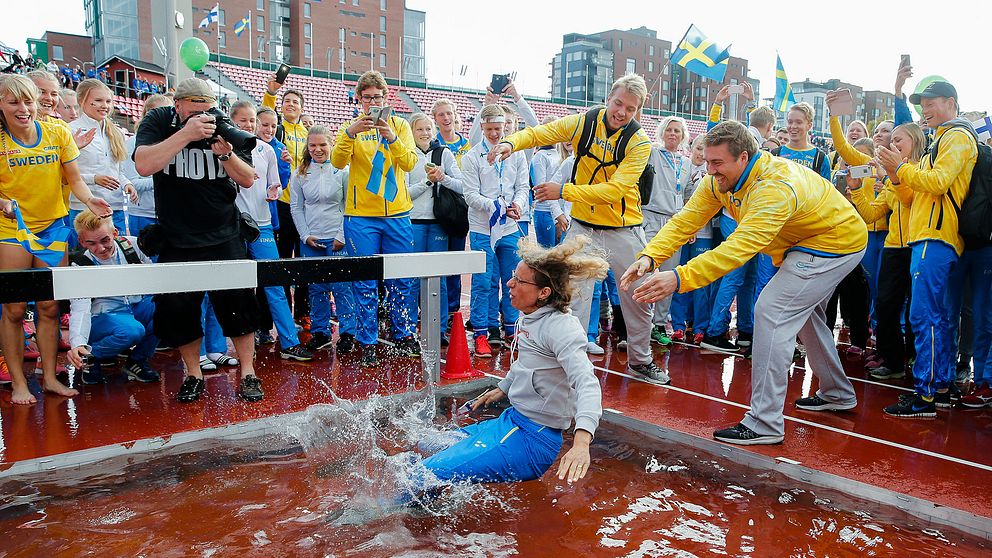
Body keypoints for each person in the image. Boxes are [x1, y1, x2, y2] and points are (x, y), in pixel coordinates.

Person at [622, 120, 868, 445]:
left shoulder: (773, 188)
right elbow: (686, 219)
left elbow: (737, 249)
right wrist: (650, 257)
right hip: (805, 241)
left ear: (743, 157)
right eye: (708, 162)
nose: (710, 171)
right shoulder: (721, 180)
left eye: (717, 163)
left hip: (835, 242)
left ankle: (764, 422)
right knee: (803, 316)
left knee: (771, 310)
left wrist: (680, 277)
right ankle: (837, 393)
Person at [488, 74, 667, 383]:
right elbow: (543, 131)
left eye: (631, 108)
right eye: (619, 103)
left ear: (638, 111)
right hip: (583, 227)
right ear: (609, 98)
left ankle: (640, 360)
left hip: (624, 228)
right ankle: (570, 359)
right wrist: (510, 142)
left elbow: (615, 190)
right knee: (572, 297)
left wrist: (564, 191)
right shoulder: (586, 122)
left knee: (638, 295)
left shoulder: (639, 143)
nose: (622, 112)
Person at [418, 235, 606, 487]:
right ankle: (428, 509)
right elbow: (528, 362)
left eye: (519, 280)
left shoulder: (562, 329)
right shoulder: (530, 316)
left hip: (532, 439)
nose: (509, 283)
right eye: (513, 276)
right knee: (426, 443)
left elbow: (587, 383)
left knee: (422, 475)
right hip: (513, 420)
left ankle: (379, 517)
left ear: (543, 293)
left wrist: (582, 442)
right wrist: (503, 388)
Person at [133, 77, 262, 403]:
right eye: (194, 112)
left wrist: (225, 155)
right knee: (178, 310)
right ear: (178, 106)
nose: (202, 119)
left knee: (239, 306)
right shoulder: (160, 121)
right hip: (176, 235)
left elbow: (248, 179)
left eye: (206, 111)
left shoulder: (222, 122)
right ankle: (193, 373)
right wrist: (186, 134)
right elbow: (145, 164)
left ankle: (248, 371)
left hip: (223, 232)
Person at [0, 74, 112, 405]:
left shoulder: (57, 132)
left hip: (51, 227)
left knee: (49, 307)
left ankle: (49, 378)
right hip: (12, 231)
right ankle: (20, 382)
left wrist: (90, 199)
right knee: (15, 309)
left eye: (28, 101)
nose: (24, 109)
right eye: (14, 102)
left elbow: (74, 178)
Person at [876, 80, 979, 416]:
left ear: (951, 102)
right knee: (941, 317)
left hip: (936, 237)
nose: (925, 110)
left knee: (925, 315)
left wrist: (902, 168)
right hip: (931, 236)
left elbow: (937, 183)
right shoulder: (940, 141)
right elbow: (910, 196)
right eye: (922, 104)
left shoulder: (957, 137)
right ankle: (939, 387)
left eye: (931, 103)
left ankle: (927, 395)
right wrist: (895, 175)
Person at [330, 70, 420, 366]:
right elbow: (336, 161)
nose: (372, 102)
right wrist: (349, 134)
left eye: (377, 97)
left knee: (401, 279)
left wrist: (392, 138)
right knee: (365, 281)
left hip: (396, 213)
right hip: (361, 217)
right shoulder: (350, 128)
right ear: (359, 99)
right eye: (366, 97)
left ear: (386, 97)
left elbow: (409, 162)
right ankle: (367, 340)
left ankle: (403, 334)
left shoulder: (400, 126)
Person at [228, 100, 314, 362]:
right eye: (243, 120)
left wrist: (272, 191)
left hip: (262, 224)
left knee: (275, 284)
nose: (249, 124)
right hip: (232, 227)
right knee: (232, 286)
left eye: (252, 120)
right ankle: (222, 348)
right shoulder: (224, 150)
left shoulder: (267, 151)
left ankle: (289, 342)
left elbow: (275, 184)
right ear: (233, 121)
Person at [841, 122, 923, 380]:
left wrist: (895, 174)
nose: (893, 145)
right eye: (892, 141)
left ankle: (915, 357)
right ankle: (892, 359)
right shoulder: (890, 179)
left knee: (915, 309)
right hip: (892, 247)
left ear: (916, 143)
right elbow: (872, 213)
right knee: (886, 303)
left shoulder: (921, 172)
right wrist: (856, 190)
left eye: (900, 140)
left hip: (917, 246)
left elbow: (909, 198)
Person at [463, 105, 529, 357]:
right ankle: (482, 331)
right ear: (482, 127)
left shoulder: (516, 154)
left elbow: (523, 186)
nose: (494, 134)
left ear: (505, 127)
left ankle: (511, 328)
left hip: (510, 226)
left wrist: (518, 204)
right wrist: (495, 207)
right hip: (483, 227)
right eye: (489, 129)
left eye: (498, 129)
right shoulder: (471, 157)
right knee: (482, 282)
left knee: (513, 279)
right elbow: (470, 195)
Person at [67, 210, 160, 385]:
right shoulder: (80, 264)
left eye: (105, 240)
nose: (100, 248)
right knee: (133, 331)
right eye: (91, 243)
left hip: (134, 308)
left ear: (115, 233)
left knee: (166, 309)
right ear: (81, 241)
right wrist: (77, 344)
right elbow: (80, 309)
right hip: (102, 318)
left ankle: (137, 361)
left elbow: (155, 282)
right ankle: (90, 358)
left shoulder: (132, 246)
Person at [289, 126, 358, 354]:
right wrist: (305, 235)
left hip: (337, 238)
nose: (317, 150)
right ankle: (321, 332)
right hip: (311, 239)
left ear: (331, 144)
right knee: (316, 288)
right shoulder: (299, 174)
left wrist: (341, 235)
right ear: (307, 148)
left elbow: (349, 206)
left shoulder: (343, 171)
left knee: (342, 287)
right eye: (313, 146)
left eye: (322, 145)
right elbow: (296, 207)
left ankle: (348, 332)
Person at [407, 113, 464, 344]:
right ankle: (408, 329)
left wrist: (444, 179)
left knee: (437, 279)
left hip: (439, 222)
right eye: (419, 129)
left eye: (428, 129)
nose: (425, 134)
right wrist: (429, 182)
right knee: (411, 278)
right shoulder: (406, 156)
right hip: (412, 222)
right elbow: (404, 194)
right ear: (411, 132)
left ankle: (438, 330)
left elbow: (462, 186)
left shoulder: (444, 153)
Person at [262, 74, 310, 324]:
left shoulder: (307, 132)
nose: (290, 105)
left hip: (303, 207)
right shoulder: (276, 128)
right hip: (280, 204)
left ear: (302, 109)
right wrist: (271, 92)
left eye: (295, 102)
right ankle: (280, 315)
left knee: (303, 262)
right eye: (287, 101)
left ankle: (303, 313)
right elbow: (264, 115)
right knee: (280, 261)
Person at [68, 79, 136, 245]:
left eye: (108, 101)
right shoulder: (69, 130)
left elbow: (118, 170)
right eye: (98, 100)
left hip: (115, 207)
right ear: (81, 101)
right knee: (85, 260)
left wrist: (127, 183)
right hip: (83, 208)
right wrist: (94, 178)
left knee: (116, 258)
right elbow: (65, 175)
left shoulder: (116, 132)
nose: (104, 105)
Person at [643, 116, 692, 346]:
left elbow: (691, 195)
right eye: (669, 130)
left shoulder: (687, 163)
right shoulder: (652, 154)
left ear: (683, 137)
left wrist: (690, 224)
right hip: (652, 218)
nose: (673, 134)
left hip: (676, 223)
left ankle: (659, 324)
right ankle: (641, 323)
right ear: (662, 133)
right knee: (645, 271)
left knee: (668, 275)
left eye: (677, 131)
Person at [670, 134, 716, 345]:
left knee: (700, 281)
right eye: (698, 148)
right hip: (683, 232)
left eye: (704, 150)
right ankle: (678, 325)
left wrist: (696, 226)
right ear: (691, 148)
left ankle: (699, 326)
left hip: (704, 233)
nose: (701, 154)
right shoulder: (682, 167)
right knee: (678, 278)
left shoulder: (714, 173)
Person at [124, 94, 172, 237]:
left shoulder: (175, 141)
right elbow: (132, 182)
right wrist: (163, 179)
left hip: (171, 214)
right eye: (159, 112)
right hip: (143, 214)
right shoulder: (133, 143)